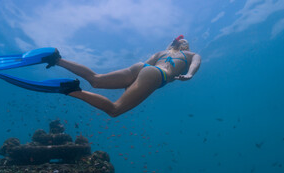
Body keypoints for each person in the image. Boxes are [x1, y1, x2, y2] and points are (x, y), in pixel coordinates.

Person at [49, 35, 201, 117]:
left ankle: (57, 59)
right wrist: (189, 74)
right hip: (157, 74)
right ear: (185, 46)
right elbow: (195, 63)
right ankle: (72, 90)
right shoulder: (191, 54)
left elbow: (145, 67)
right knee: (115, 110)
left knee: (96, 80)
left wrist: (130, 86)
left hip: (143, 67)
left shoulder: (162, 52)